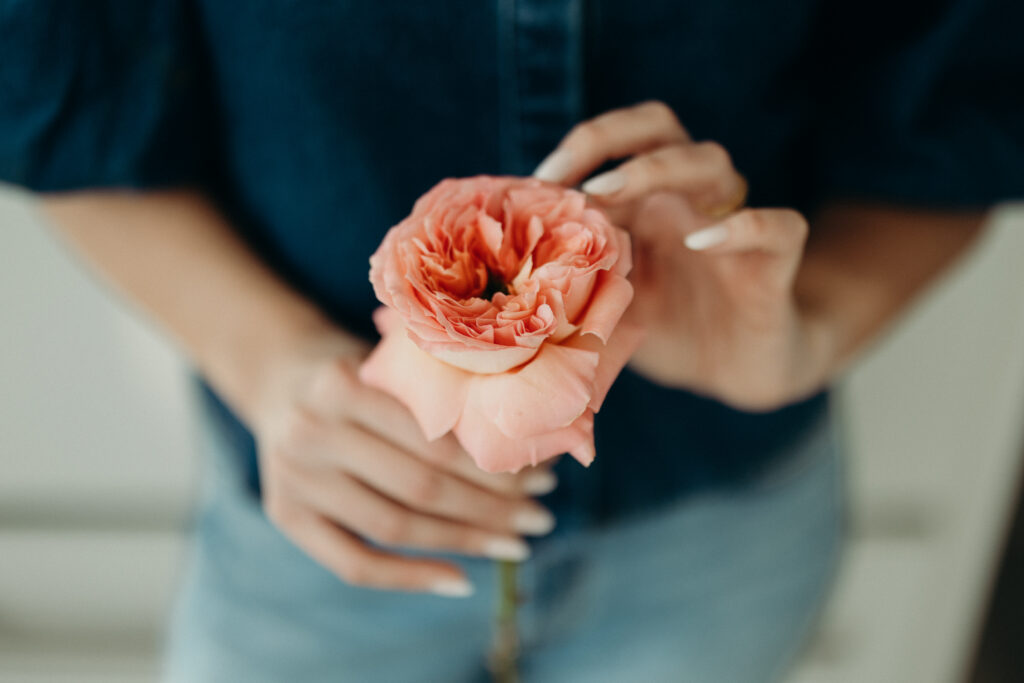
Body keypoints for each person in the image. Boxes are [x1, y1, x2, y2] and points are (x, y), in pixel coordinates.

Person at [2, 1, 1020, 681]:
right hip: (332, 520)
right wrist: (270, 361)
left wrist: (813, 329)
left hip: (715, 526)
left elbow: (963, 112)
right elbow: (54, 93)